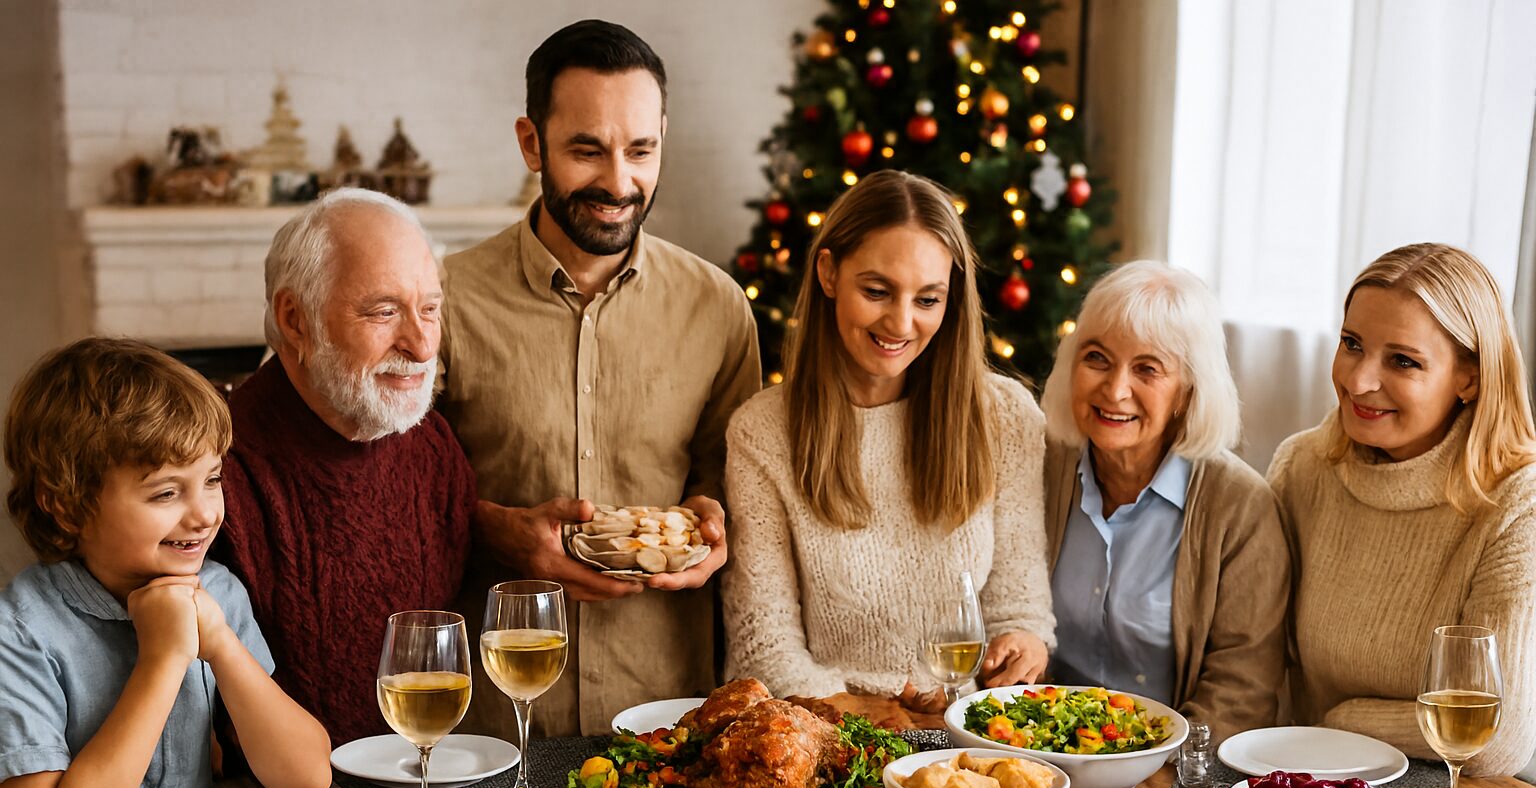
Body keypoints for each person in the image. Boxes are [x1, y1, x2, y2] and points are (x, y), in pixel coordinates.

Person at [441, 20, 759, 736]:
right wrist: (495, 531)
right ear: (532, 144)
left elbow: (733, 479)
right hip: (493, 723)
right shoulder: (443, 299)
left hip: (666, 715)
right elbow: (396, 491)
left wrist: (714, 518)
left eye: (641, 150)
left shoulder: (717, 306)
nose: (619, 183)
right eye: (587, 151)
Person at [0, 339, 331, 788]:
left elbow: (307, 780)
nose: (204, 515)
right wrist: (162, 659)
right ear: (64, 504)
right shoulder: (19, 631)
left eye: (212, 480)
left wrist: (221, 644)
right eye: (165, 494)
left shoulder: (215, 592)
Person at [722, 169, 1054, 701]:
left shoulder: (1006, 417)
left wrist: (1022, 642)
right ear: (828, 274)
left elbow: (1019, 607)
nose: (900, 323)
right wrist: (877, 721)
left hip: (963, 730)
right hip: (828, 731)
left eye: (928, 300)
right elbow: (765, 649)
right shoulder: (762, 433)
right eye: (877, 291)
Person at [219, 188, 477, 745]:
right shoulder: (218, 472)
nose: (421, 345)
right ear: (295, 320)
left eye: (430, 309)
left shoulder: (433, 448)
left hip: (423, 775)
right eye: (384, 312)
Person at [1268, 242, 1536, 776]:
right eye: (1352, 344)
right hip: (1306, 782)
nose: (1358, 381)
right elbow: (1260, 663)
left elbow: (1497, 737)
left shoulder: (1517, 505)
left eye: (1403, 361)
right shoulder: (1302, 467)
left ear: (1470, 377)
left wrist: (1341, 723)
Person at [1038, 262, 1287, 740]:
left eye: (1147, 369)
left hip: (1167, 766)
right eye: (1097, 358)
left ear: (1187, 391)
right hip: (1034, 752)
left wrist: (1161, 769)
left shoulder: (1240, 507)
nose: (1115, 390)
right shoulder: (1040, 467)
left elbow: (1241, 690)